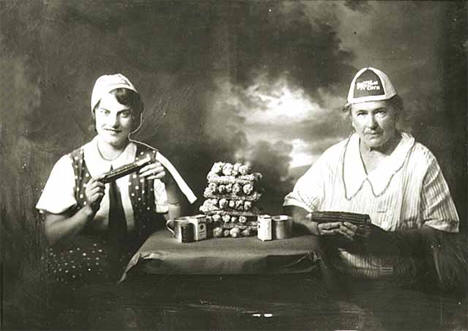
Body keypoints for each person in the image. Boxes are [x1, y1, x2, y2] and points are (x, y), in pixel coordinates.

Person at [283, 67, 460, 284]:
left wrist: (387, 241)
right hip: (337, 282)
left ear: (396, 113)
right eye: (362, 114)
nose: (371, 124)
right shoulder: (336, 156)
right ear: (351, 119)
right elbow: (295, 203)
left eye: (380, 112)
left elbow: (443, 233)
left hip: (402, 288)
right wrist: (312, 225)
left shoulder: (420, 161)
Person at [36, 73, 197, 283]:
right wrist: (87, 211)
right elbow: (53, 236)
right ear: (95, 114)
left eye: (124, 114)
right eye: (105, 112)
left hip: (141, 251)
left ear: (135, 118)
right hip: (87, 256)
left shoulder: (151, 159)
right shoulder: (70, 164)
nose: (113, 122)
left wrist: (169, 185)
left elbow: (178, 225)